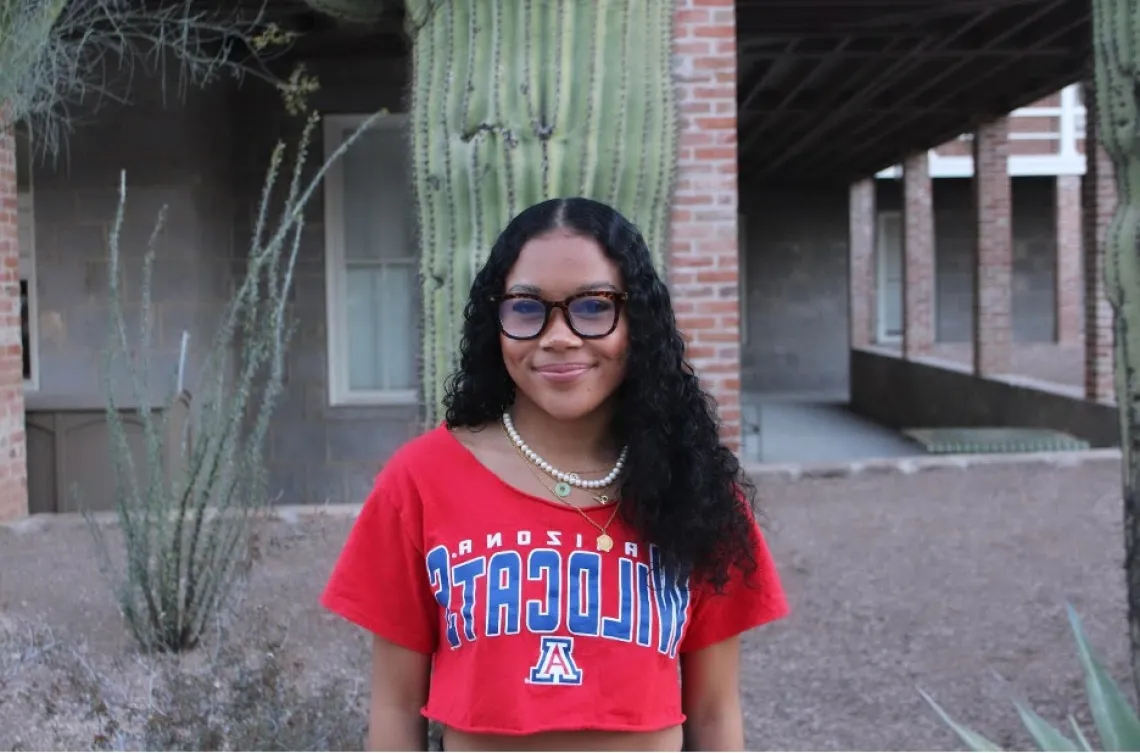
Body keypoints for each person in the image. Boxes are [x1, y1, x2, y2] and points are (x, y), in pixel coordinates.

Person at [320, 197, 789, 752]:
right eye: (526, 308)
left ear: (637, 321)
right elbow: (396, 707)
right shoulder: (421, 479)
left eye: (593, 307)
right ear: (495, 322)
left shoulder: (697, 486)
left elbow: (713, 714)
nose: (559, 336)